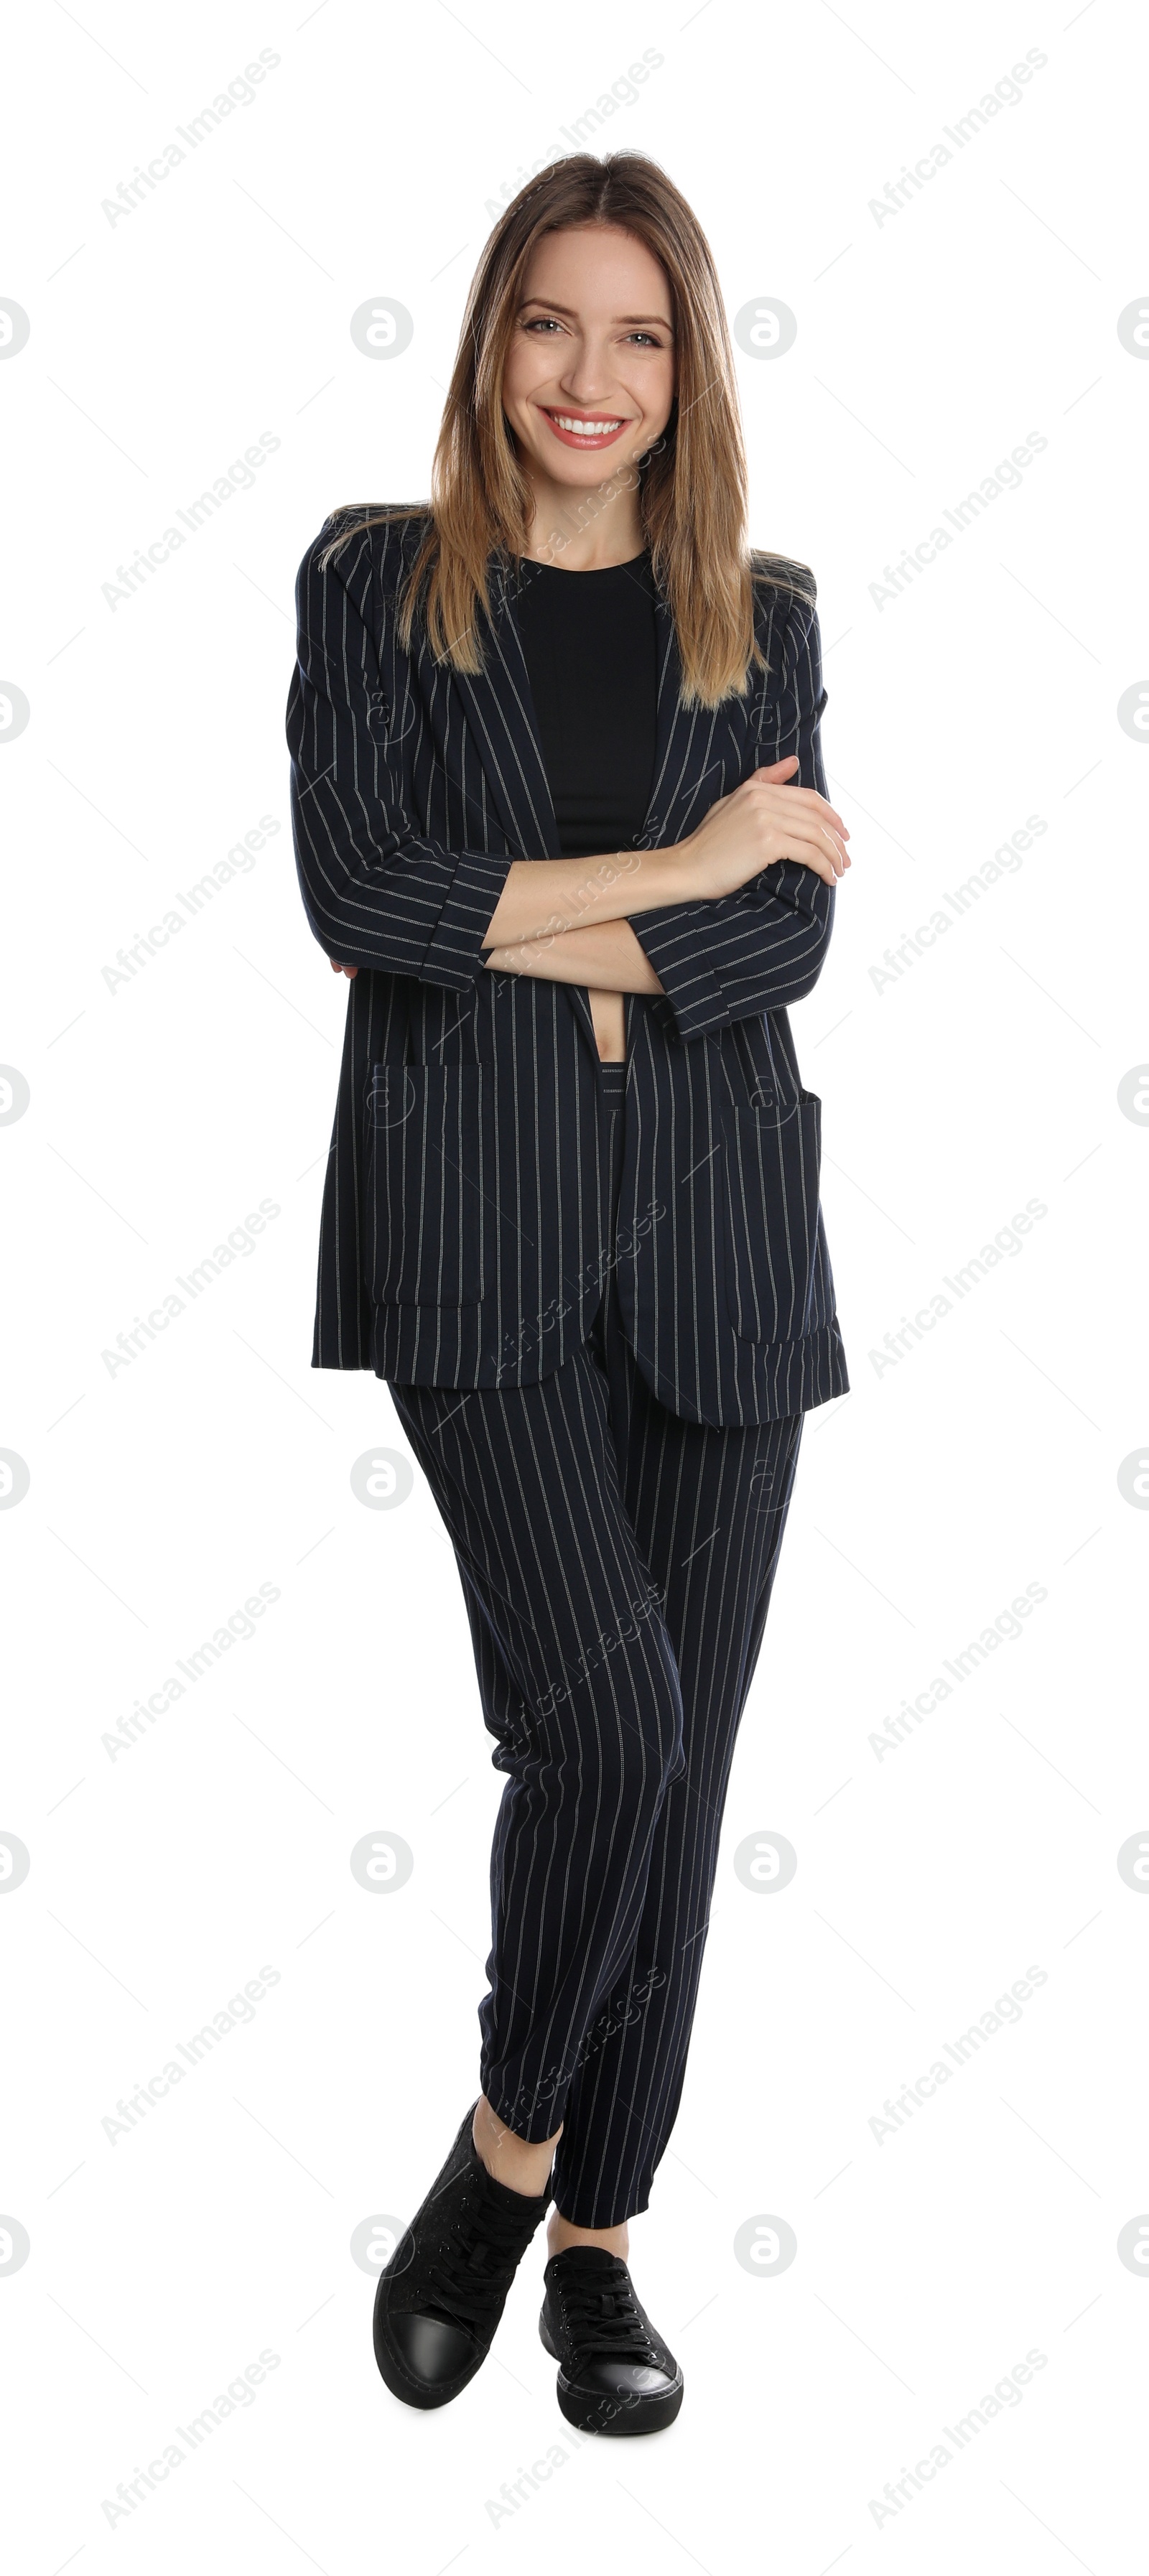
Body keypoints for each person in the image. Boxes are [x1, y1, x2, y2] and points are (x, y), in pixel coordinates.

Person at [286, 149, 851, 2437]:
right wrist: (686, 867)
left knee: (680, 1769)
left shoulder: (764, 612)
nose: (589, 376)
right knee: (596, 1726)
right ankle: (499, 2157)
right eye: (550, 322)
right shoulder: (377, 582)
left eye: (639, 331)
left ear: (689, 361)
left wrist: (595, 902)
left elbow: (779, 942)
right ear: (491, 340)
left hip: (722, 1240)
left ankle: (595, 2232)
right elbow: (363, 893)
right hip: (475, 1240)